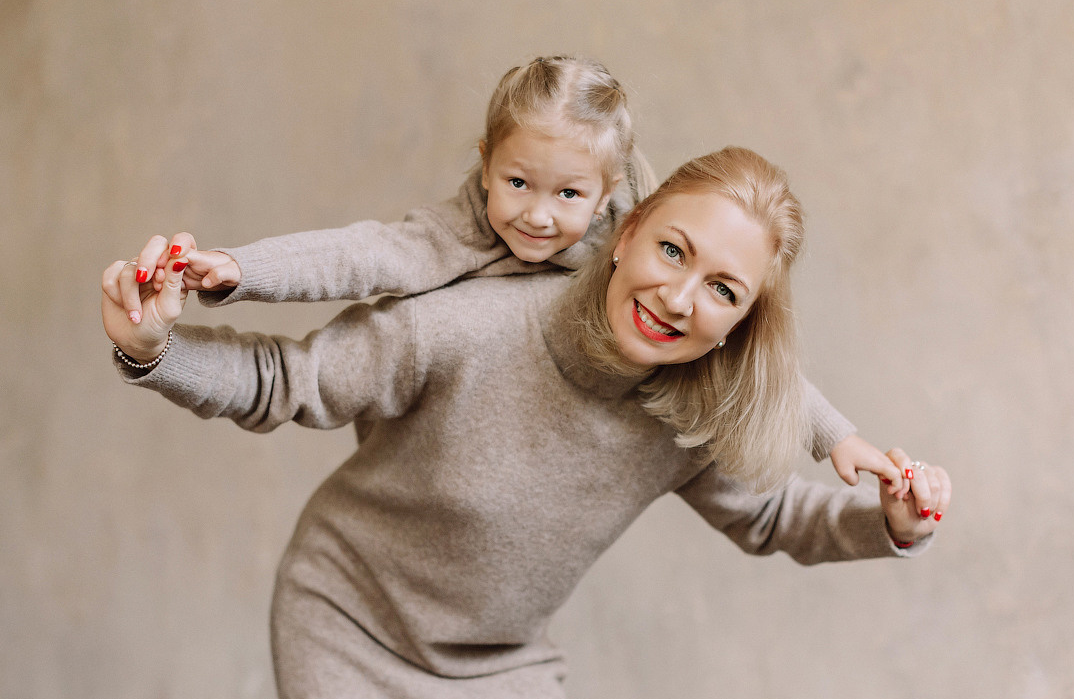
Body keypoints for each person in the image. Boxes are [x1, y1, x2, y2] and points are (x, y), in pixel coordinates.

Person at [101, 147, 951, 699]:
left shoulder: (688, 416)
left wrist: (890, 523)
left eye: (724, 290)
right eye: (673, 251)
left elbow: (768, 520)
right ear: (627, 233)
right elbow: (283, 383)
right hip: (351, 627)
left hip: (498, 664)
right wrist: (156, 350)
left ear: (740, 324)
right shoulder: (466, 329)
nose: (681, 298)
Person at [117, 54, 903, 492]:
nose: (536, 216)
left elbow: (755, 366)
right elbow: (355, 255)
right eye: (518, 184)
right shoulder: (452, 248)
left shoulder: (633, 258)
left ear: (611, 204)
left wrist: (837, 435)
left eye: (567, 195)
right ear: (487, 164)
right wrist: (238, 270)